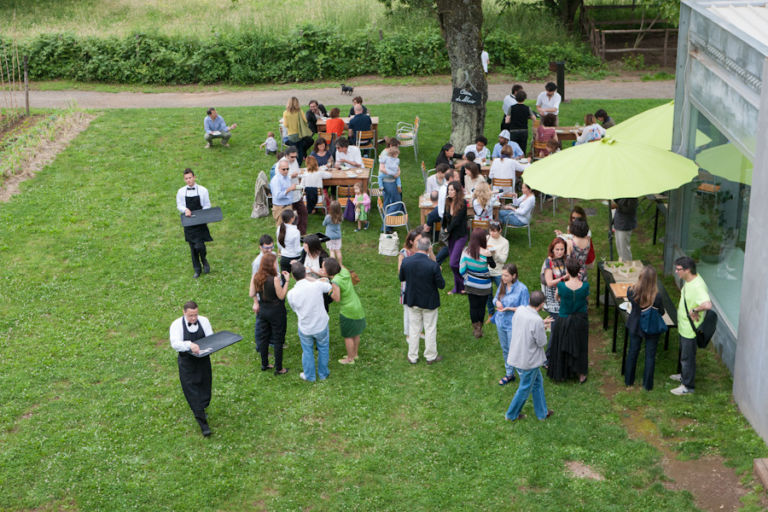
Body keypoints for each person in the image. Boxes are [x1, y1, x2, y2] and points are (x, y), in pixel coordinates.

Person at [504, 291, 554, 422]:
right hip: (529, 360)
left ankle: (542, 413)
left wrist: (540, 324)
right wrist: (544, 326)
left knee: (538, 383)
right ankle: (511, 414)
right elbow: (541, 342)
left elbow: (525, 327)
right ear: (542, 304)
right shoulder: (536, 320)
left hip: (518, 354)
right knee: (525, 388)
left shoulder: (520, 310)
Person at [169, 300, 215, 436]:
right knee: (192, 391)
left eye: (195, 315)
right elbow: (175, 343)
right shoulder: (176, 325)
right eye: (190, 316)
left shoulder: (204, 321)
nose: (194, 318)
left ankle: (202, 407)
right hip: (187, 363)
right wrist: (189, 345)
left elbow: (211, 337)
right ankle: (203, 424)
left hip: (203, 360)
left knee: (205, 388)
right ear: (184, 313)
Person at [399, 236, 445, 364]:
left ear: (417, 246)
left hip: (412, 299)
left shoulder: (407, 262)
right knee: (430, 328)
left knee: (414, 328)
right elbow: (441, 285)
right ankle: (430, 356)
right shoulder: (433, 265)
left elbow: (401, 278)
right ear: (429, 248)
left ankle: (412, 356)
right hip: (429, 301)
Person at [670, 256, 712, 395]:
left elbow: (707, 304)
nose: (676, 272)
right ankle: (683, 375)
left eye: (678, 269)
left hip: (690, 330)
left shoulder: (698, 286)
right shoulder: (690, 280)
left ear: (687, 270)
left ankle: (687, 387)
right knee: (684, 354)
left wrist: (694, 310)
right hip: (684, 327)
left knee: (687, 358)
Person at [286, 261, 333, 382]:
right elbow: (329, 286)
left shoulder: (291, 294)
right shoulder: (316, 285)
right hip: (321, 324)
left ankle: (310, 376)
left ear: (293, 276)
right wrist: (313, 279)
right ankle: (323, 374)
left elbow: (294, 309)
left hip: (305, 327)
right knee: (323, 348)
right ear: (305, 273)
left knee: (307, 351)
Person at [547, 257, 590, 383]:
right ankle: (581, 373)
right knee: (581, 345)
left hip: (564, 319)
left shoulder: (561, 285)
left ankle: (563, 372)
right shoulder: (585, 286)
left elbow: (557, 298)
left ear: (567, 270)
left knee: (562, 344)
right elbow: (586, 300)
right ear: (579, 271)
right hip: (580, 320)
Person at [624, 265, 666, 391]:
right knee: (650, 356)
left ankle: (628, 381)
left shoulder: (631, 291)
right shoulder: (656, 296)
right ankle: (647, 385)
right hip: (651, 327)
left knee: (632, 352)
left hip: (635, 325)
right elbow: (662, 312)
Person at [250, 253, 290, 375]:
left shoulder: (256, 276)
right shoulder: (275, 279)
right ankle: (279, 368)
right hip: (276, 311)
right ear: (271, 265)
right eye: (275, 262)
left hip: (263, 310)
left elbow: (252, 293)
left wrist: (257, 302)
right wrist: (287, 281)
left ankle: (265, 364)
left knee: (264, 337)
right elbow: (281, 295)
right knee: (278, 339)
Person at [493, 263, 530, 384]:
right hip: (501, 323)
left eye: (506, 275)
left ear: (514, 276)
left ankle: (523, 375)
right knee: (505, 349)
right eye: (502, 275)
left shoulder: (522, 289)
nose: (503, 278)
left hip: (513, 325)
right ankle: (509, 374)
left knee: (515, 350)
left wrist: (509, 308)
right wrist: (497, 302)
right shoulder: (502, 285)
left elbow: (525, 308)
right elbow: (495, 299)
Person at [325, 258, 366, 365]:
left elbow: (337, 298)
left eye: (323, 267)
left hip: (348, 310)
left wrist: (329, 291)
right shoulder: (344, 272)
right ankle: (355, 354)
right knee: (355, 333)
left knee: (348, 336)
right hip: (357, 306)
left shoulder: (335, 282)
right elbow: (340, 264)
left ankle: (349, 359)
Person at [460, 228, 497, 337]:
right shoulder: (486, 254)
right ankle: (480, 327)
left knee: (473, 306)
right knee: (481, 307)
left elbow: (461, 270)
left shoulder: (466, 252)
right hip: (484, 285)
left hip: (471, 285)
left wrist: (468, 278)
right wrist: (490, 255)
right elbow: (493, 266)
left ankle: (475, 328)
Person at [176, 168, 212, 278]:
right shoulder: (181, 192)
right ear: (184, 179)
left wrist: (202, 213)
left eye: (190, 178)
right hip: (189, 221)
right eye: (186, 179)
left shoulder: (203, 190)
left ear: (194, 177)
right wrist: (185, 210)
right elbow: (180, 205)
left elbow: (207, 205)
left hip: (200, 222)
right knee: (192, 247)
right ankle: (197, 269)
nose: (188, 180)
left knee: (200, 246)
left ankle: (204, 260)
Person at [442, 180, 469, 294]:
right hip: (451, 236)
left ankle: (464, 283)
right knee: (455, 263)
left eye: (452, 190)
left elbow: (457, 221)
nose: (450, 192)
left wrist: (448, 228)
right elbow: (445, 216)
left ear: (457, 191)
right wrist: (444, 227)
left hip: (461, 235)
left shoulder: (463, 203)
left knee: (453, 263)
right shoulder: (448, 202)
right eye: (449, 190)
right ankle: (458, 288)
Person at [398, 229, 423, 340]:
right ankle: (408, 333)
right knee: (408, 310)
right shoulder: (404, 253)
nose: (421, 242)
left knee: (421, 308)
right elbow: (400, 271)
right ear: (411, 241)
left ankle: (419, 331)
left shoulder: (423, 251)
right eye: (418, 240)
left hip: (421, 285)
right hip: (408, 285)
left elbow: (433, 264)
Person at [486, 221, 509, 318]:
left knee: (502, 292)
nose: (492, 233)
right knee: (487, 293)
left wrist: (495, 253)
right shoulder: (487, 238)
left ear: (500, 231)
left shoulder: (505, 242)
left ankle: (503, 310)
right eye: (491, 231)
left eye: (495, 231)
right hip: (486, 270)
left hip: (499, 271)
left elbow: (503, 259)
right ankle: (491, 313)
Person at [541, 237, 568, 318]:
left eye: (562, 249)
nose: (560, 252)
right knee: (556, 322)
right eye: (557, 249)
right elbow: (549, 283)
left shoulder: (565, 259)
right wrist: (564, 278)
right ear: (552, 249)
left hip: (564, 294)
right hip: (553, 298)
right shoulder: (549, 262)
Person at [284, 148, 309, 234]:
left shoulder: (294, 161)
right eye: (292, 157)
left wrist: (298, 174)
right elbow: (279, 179)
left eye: (295, 156)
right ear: (286, 156)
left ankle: (301, 232)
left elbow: (297, 170)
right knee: (289, 216)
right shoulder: (281, 164)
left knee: (303, 212)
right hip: (288, 194)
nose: (294, 158)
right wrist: (291, 176)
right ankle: (290, 233)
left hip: (296, 192)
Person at [282, 97, 310, 164]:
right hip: (299, 133)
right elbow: (305, 121)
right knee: (300, 149)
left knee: (293, 150)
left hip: (291, 134)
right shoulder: (300, 111)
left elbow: (285, 125)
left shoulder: (285, 113)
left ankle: (293, 163)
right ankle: (299, 163)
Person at [269, 158, 296, 225]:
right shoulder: (276, 180)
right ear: (279, 169)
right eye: (283, 169)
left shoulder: (286, 177)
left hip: (288, 206)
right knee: (282, 230)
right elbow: (278, 195)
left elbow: (286, 182)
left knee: (289, 229)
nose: (286, 171)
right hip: (280, 208)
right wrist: (289, 189)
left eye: (287, 169)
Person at [565, 217, 591, 282]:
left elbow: (567, 260)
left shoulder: (570, 242)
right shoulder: (588, 240)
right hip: (583, 272)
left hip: (572, 273)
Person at [276, 209, 302, 274]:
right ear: (292, 219)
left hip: (284, 258)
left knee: (283, 281)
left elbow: (279, 244)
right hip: (295, 258)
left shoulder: (279, 228)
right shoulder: (296, 232)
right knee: (300, 279)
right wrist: (305, 247)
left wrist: (284, 251)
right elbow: (297, 250)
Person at [379, 144, 403, 212]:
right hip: (389, 181)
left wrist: (398, 172)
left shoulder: (389, 159)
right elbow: (382, 169)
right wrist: (393, 174)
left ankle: (384, 215)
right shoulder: (386, 159)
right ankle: (388, 217)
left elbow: (398, 168)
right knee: (397, 202)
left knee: (386, 200)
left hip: (386, 180)